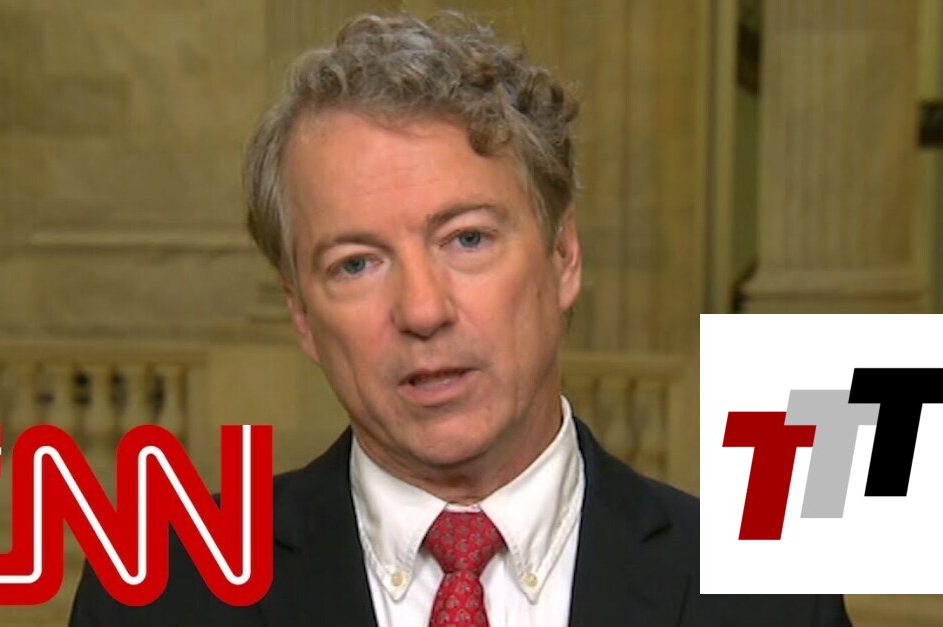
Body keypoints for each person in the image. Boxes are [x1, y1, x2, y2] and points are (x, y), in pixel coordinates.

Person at [71, 11, 850, 626]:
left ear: (563, 256)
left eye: (467, 239)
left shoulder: (770, 601)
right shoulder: (158, 595)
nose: (421, 309)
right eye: (356, 263)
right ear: (302, 314)